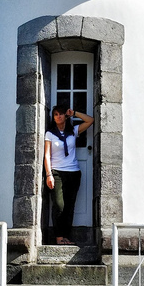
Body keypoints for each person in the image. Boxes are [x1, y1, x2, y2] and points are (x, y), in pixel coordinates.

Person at [44, 105, 94, 245]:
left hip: (73, 173)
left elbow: (90, 120)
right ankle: (59, 237)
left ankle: (66, 236)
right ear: (53, 118)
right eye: (55, 114)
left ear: (65, 116)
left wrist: (75, 113)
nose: (58, 116)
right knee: (59, 205)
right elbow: (47, 155)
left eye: (61, 114)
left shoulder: (73, 131)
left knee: (69, 206)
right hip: (57, 172)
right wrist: (49, 174)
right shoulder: (50, 134)